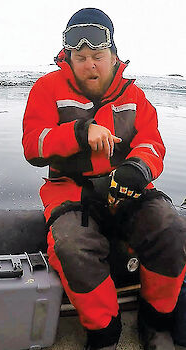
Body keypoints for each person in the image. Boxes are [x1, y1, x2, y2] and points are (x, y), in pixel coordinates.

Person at [22, 7, 186, 350]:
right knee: (71, 246)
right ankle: (104, 334)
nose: (89, 64)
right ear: (68, 58)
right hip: (72, 194)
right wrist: (79, 133)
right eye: (80, 57)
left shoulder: (135, 96)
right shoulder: (46, 88)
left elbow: (152, 145)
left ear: (114, 56)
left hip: (127, 189)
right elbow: (33, 145)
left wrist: (135, 171)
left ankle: (156, 325)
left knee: (171, 230)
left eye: (97, 55)